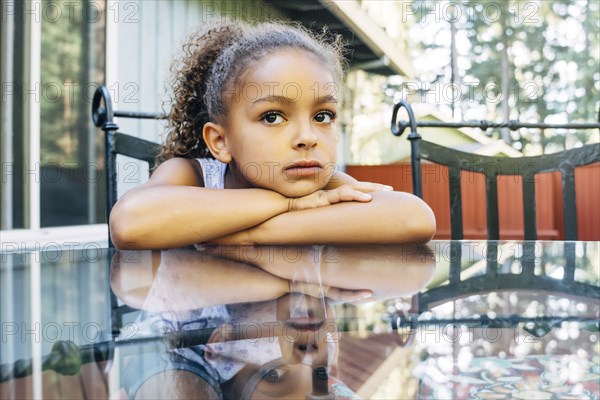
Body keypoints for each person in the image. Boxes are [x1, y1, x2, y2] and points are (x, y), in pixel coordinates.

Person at [109, 20, 435, 250]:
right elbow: (130, 223)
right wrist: (290, 205)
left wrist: (247, 236)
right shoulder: (192, 174)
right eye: (273, 116)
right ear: (220, 142)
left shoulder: (327, 184)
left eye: (323, 116)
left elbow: (414, 219)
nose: (307, 137)